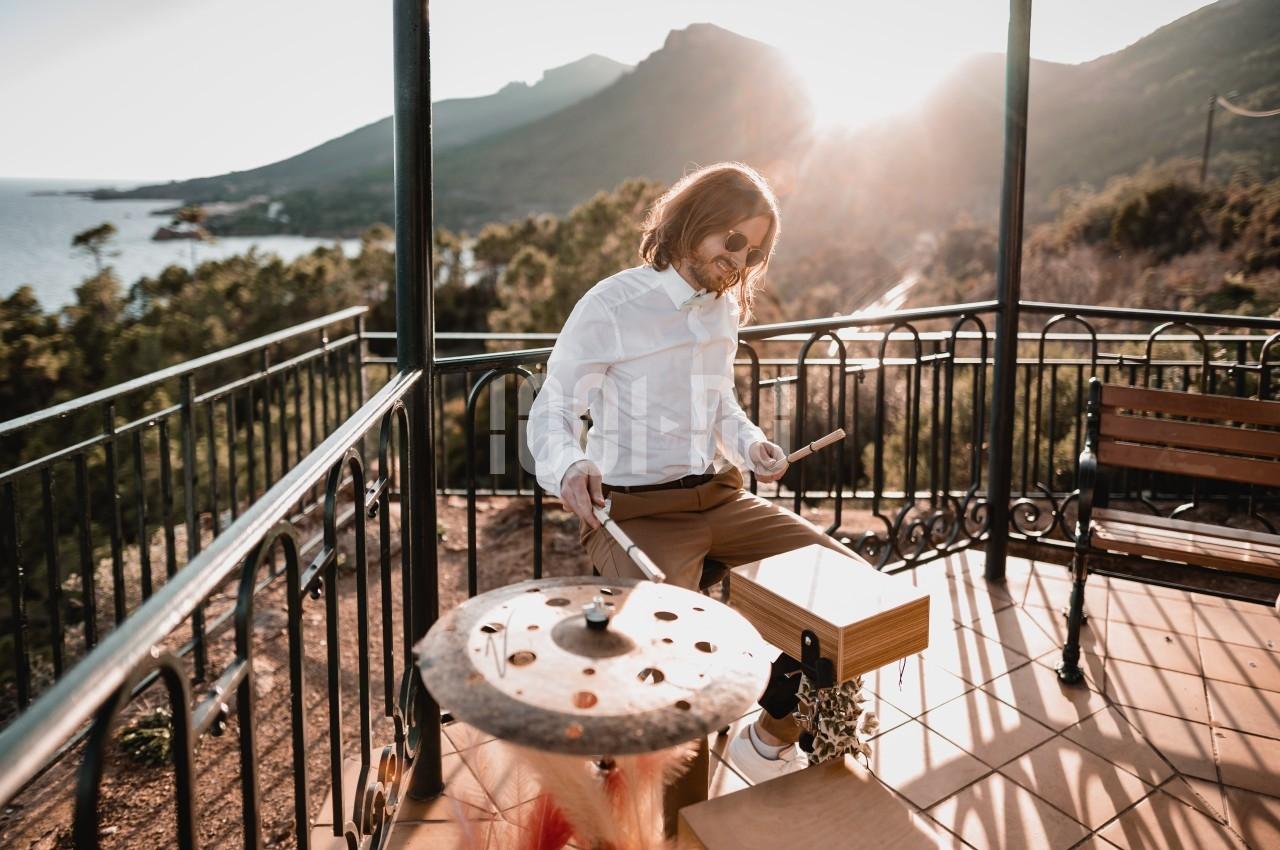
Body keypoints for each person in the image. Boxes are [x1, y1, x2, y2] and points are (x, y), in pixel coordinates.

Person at [526, 161, 864, 783]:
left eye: (755, 251)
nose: (739, 259)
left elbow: (721, 405)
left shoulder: (723, 310)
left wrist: (753, 444)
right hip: (631, 509)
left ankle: (771, 733)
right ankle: (650, 788)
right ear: (692, 224)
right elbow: (553, 408)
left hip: (718, 496)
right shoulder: (612, 304)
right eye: (732, 239)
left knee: (846, 587)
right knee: (668, 647)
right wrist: (571, 463)